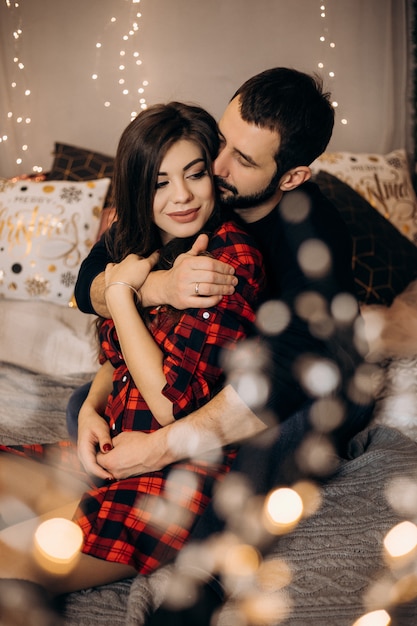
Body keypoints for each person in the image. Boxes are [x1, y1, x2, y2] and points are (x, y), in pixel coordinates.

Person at [71, 68, 375, 622]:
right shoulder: (196, 193)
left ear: (291, 176)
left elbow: (278, 381)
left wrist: (161, 446)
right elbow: (89, 281)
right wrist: (158, 285)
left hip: (309, 379)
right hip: (204, 373)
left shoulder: (314, 235)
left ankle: (206, 574)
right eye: (221, 141)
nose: (215, 167)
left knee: (278, 430)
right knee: (81, 404)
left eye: (244, 159)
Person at [0, 102, 265, 607]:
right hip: (113, 449)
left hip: (175, 477)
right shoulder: (136, 245)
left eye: (195, 174)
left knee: (14, 560)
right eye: (160, 182)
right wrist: (92, 414)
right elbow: (115, 356)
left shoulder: (228, 260)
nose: (182, 196)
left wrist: (123, 297)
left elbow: (172, 405)